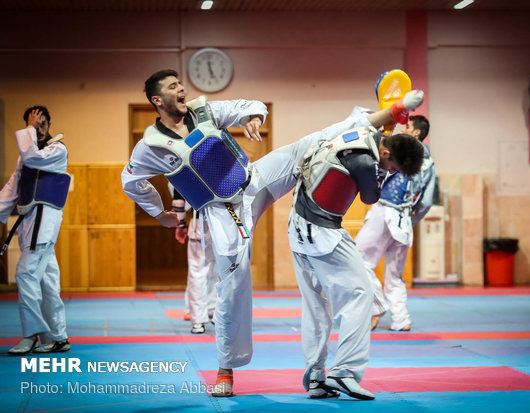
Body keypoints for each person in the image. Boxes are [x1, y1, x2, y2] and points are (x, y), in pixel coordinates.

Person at [121, 68, 424, 397]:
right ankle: (225, 371)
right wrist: (160, 213)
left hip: (252, 181)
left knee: (312, 142)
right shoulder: (150, 146)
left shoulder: (204, 110)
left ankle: (392, 112)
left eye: (180, 84)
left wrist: (253, 116)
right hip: (222, 213)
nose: (181, 89)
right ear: (157, 100)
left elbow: (252, 105)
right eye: (172, 87)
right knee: (233, 288)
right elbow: (130, 181)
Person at [287, 101, 426, 399]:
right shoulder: (366, 163)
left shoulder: (363, 132)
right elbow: (369, 197)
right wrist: (383, 173)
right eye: (394, 168)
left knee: (315, 304)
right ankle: (345, 371)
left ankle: (315, 376)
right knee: (361, 295)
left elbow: (370, 125)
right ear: (387, 153)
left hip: (298, 226)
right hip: (322, 231)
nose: (392, 172)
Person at [0, 106, 71, 355]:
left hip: (45, 223)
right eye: (33, 124)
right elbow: (12, 188)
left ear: (49, 125)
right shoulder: (25, 157)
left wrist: (29, 130)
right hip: (30, 223)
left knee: (25, 274)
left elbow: (33, 158)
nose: (39, 129)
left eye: (42, 124)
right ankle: (58, 337)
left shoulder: (57, 150)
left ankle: (31, 335)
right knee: (47, 281)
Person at [355, 115, 435, 332]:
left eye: (408, 126)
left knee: (356, 260)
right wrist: (412, 219)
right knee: (395, 275)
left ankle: (377, 305)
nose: (405, 128)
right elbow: (427, 201)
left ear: (416, 133)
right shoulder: (429, 163)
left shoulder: (401, 152)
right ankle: (401, 320)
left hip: (385, 210)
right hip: (404, 221)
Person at [170, 187, 217, 334]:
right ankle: (221, 314)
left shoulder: (188, 165)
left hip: (200, 223)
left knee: (197, 272)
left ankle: (198, 321)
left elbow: (179, 196)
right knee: (226, 272)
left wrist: (181, 224)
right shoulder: (228, 165)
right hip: (225, 222)